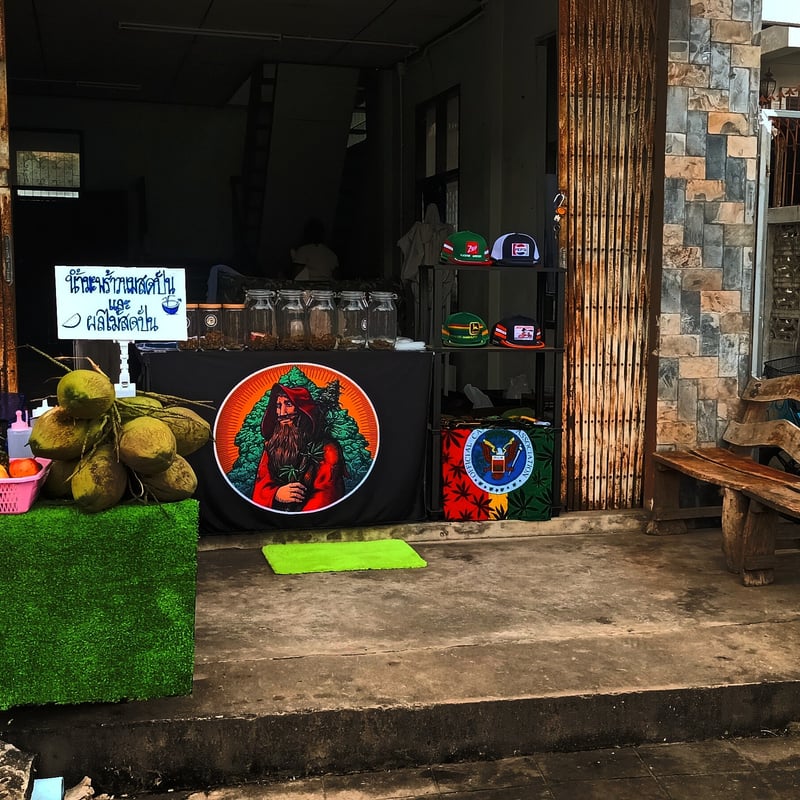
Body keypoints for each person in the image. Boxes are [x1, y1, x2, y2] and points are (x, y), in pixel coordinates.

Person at [252, 383, 347, 512]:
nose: (282, 413)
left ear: (302, 411)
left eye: (288, 404)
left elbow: (326, 495)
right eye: (278, 406)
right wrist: (276, 493)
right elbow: (261, 483)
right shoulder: (272, 445)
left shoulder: (327, 449)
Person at [290, 217, 339, 281]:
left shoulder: (304, 250)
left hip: (308, 285)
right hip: (327, 285)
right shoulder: (331, 254)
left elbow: (295, 273)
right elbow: (336, 276)